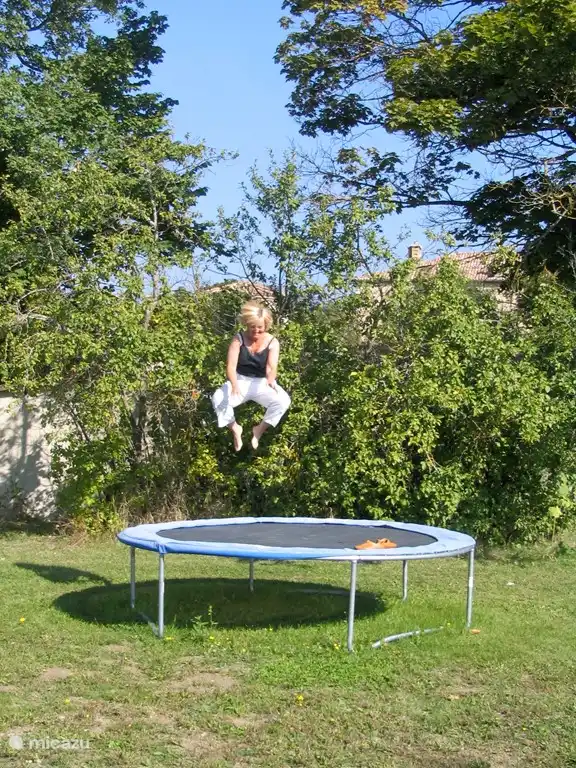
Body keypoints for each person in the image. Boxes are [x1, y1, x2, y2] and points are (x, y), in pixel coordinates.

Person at [211, 301, 291, 451]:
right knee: (218, 398)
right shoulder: (238, 339)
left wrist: (271, 380)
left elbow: (272, 366)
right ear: (247, 324)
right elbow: (230, 366)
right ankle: (235, 428)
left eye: (260, 327)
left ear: (266, 325)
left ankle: (258, 430)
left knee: (283, 401)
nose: (256, 331)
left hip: (262, 383)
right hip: (240, 381)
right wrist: (234, 384)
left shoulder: (273, 342)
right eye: (252, 327)